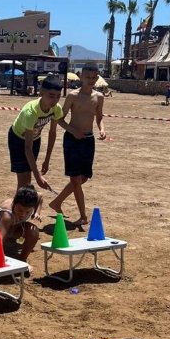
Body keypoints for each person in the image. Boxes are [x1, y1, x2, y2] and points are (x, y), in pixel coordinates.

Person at [48, 63, 106, 225]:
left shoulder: (99, 97)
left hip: (88, 140)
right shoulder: (72, 96)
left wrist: (102, 129)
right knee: (75, 179)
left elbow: (99, 116)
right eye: (88, 77)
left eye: (94, 77)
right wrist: (72, 130)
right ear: (81, 76)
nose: (91, 80)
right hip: (72, 140)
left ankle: (57, 202)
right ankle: (83, 216)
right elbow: (59, 118)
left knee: (84, 178)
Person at [7, 74, 67, 193]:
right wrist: (38, 176)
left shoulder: (56, 108)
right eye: (51, 96)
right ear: (41, 93)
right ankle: (17, 208)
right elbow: (27, 148)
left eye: (58, 96)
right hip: (17, 139)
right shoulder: (31, 112)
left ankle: (25, 208)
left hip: (35, 139)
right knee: (23, 180)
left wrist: (47, 160)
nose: (54, 100)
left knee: (27, 180)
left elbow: (52, 133)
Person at [0, 184, 43, 272]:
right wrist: (1, 259)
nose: (23, 214)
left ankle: (22, 260)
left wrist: (37, 212)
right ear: (14, 203)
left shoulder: (33, 198)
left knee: (34, 231)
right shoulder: (8, 215)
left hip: (17, 225)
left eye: (28, 212)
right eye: (20, 210)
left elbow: (40, 197)